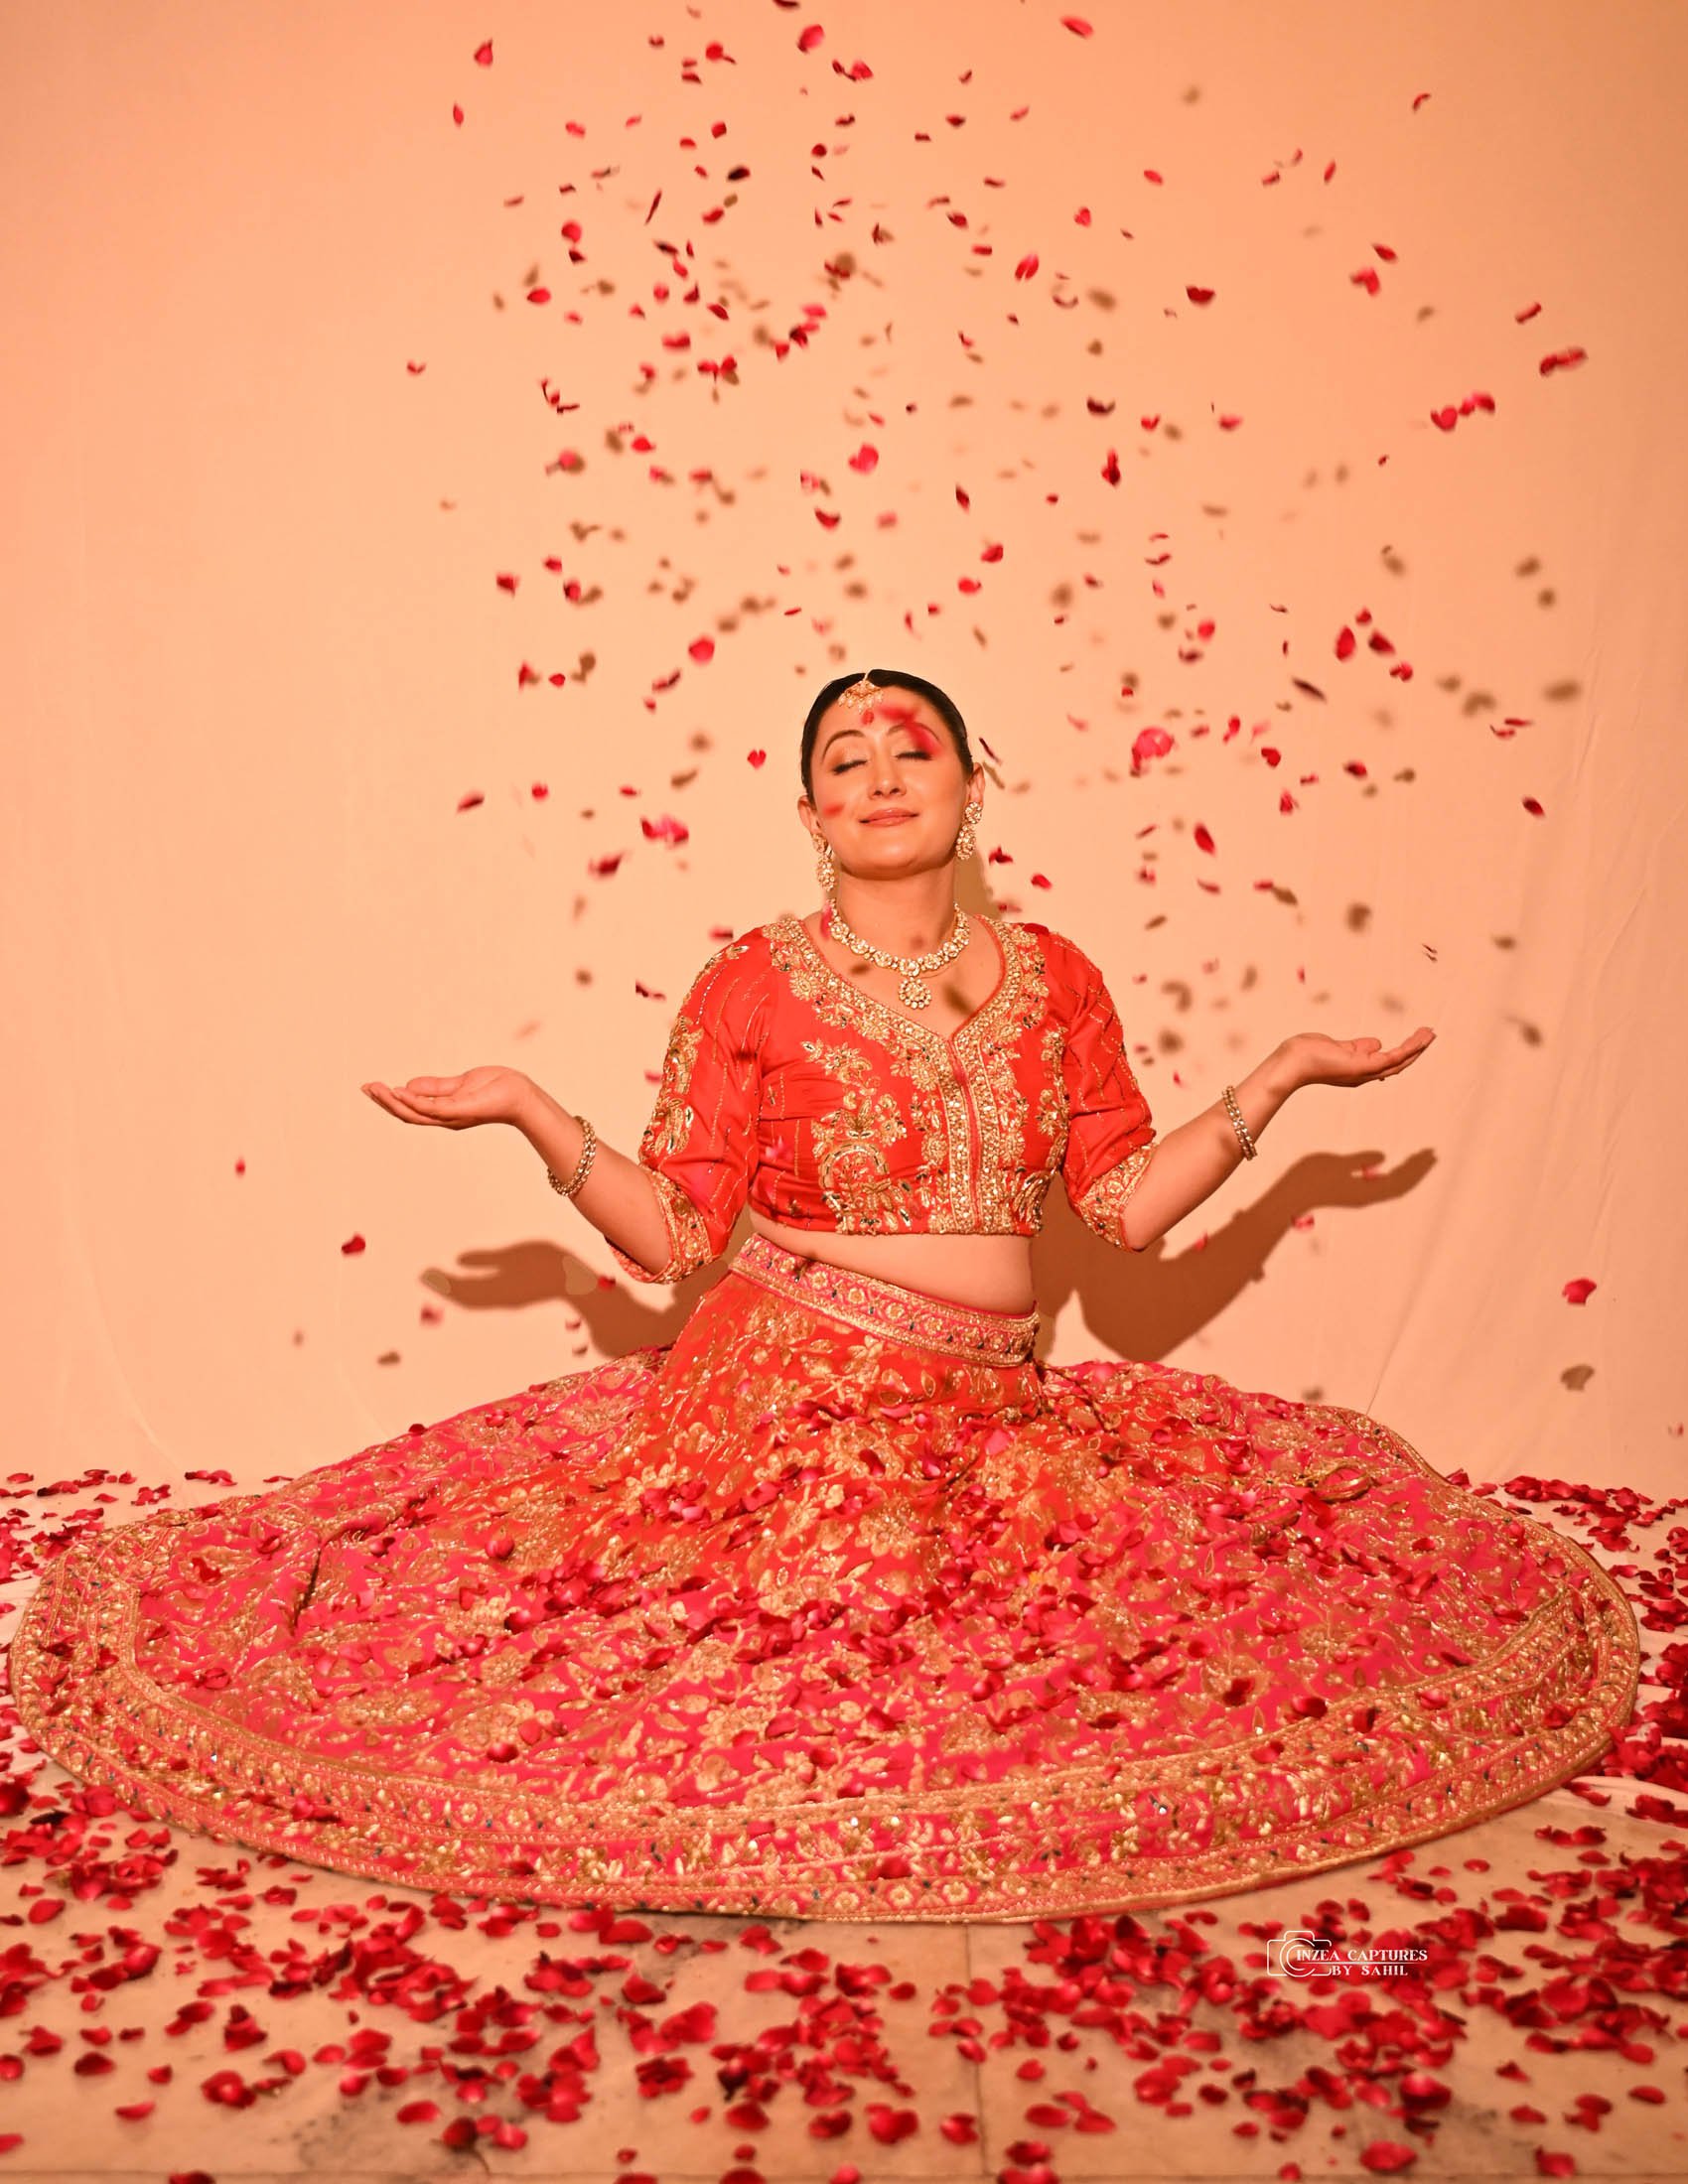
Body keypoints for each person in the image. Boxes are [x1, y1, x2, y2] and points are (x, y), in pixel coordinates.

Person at [9, 671, 1640, 1924]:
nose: (877, 774)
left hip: (996, 1405)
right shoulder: (748, 983)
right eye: (844, 760)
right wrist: (526, 1107)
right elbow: (670, 1241)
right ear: (809, 812)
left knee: (1106, 1620)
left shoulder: (1061, 978)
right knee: (819, 1627)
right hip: (792, 1384)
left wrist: (1280, 1079)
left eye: (909, 747)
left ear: (972, 787)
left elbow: (1126, 1216)